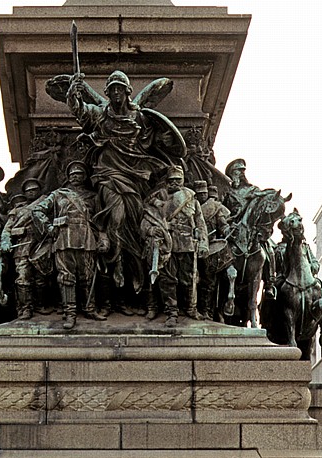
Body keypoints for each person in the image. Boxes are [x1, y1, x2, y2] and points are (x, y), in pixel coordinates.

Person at [66, 70, 181, 295]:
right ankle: (115, 261)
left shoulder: (140, 117)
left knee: (134, 220)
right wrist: (73, 94)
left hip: (135, 173)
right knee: (116, 216)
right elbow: (80, 112)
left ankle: (130, 265)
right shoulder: (100, 114)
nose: (116, 92)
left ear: (127, 92)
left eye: (120, 88)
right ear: (108, 93)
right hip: (107, 172)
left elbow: (152, 141)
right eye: (112, 89)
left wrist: (165, 140)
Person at [32, 161, 108, 329]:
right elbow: (37, 210)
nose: (75, 177)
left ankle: (90, 308)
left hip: (87, 239)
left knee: (88, 277)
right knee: (66, 278)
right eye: (72, 174)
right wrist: (49, 227)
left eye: (79, 173)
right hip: (64, 239)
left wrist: (103, 238)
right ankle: (70, 313)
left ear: (85, 176)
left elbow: (100, 221)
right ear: (67, 177)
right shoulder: (59, 194)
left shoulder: (93, 196)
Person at [145, 166, 209, 327]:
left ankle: (190, 308)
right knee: (168, 280)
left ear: (183, 180)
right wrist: (151, 230)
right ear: (167, 181)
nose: (174, 183)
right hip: (167, 245)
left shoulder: (191, 198)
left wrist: (203, 243)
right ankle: (171, 312)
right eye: (171, 180)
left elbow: (200, 223)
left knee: (189, 279)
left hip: (187, 244)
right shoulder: (158, 197)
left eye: (177, 180)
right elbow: (147, 220)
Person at [223, 158, 277, 300]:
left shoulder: (252, 190)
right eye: (236, 171)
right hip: (230, 227)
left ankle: (270, 283)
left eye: (241, 171)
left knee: (270, 249)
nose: (239, 173)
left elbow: (263, 209)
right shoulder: (226, 191)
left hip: (252, 229)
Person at [0, 194, 48, 320]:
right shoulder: (17, 211)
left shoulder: (45, 205)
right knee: (23, 278)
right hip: (22, 249)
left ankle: (41, 306)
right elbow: (7, 230)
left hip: (41, 246)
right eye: (29, 190)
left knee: (41, 279)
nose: (33, 193)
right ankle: (26, 308)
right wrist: (6, 241)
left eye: (35, 190)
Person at [194, 181, 232, 320]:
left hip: (211, 248)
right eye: (199, 194)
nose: (202, 196)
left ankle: (207, 311)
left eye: (204, 193)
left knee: (210, 283)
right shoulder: (192, 207)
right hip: (193, 247)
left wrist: (227, 229)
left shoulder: (215, 208)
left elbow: (222, 224)